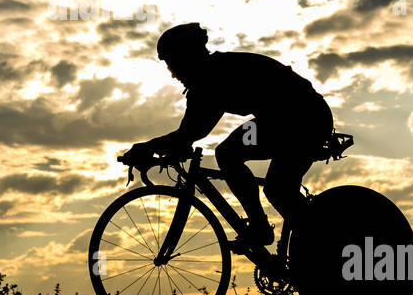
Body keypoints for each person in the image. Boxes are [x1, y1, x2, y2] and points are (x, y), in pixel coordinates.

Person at [122, 22, 333, 252]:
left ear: (187, 58)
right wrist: (159, 148)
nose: (173, 75)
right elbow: (188, 136)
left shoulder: (212, 77)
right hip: (291, 117)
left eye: (173, 65)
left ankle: (308, 241)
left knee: (251, 170)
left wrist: (149, 148)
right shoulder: (207, 77)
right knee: (274, 186)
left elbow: (189, 134)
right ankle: (311, 237)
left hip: (302, 117)